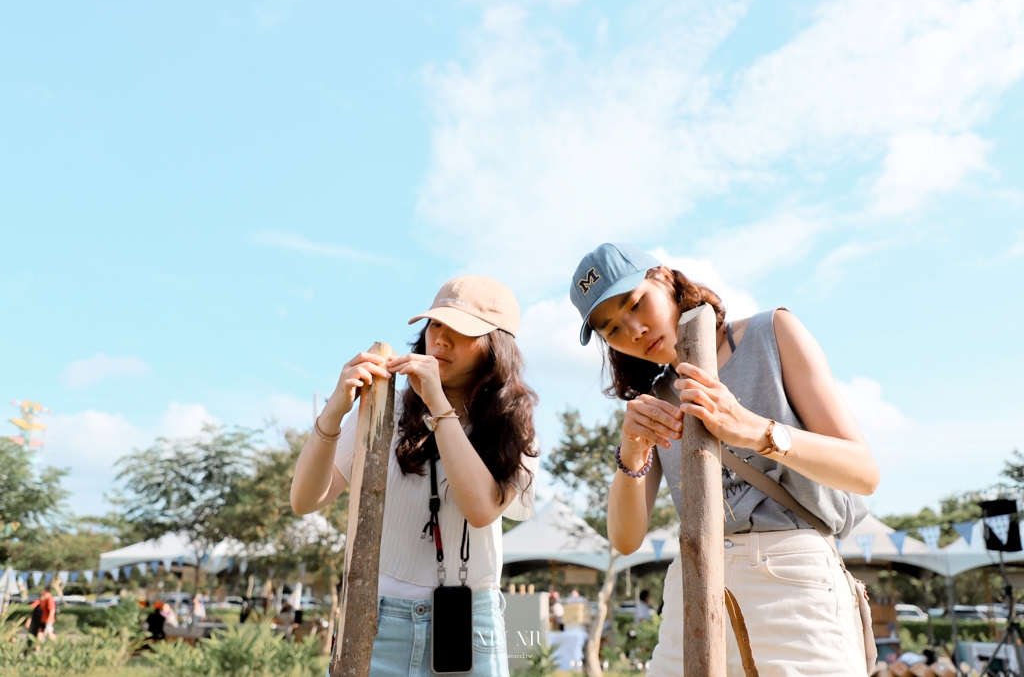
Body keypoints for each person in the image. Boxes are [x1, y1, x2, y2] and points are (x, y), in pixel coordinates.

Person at [569, 244, 879, 677]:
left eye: (637, 303)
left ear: (663, 276)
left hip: (792, 582)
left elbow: (863, 472)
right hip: (691, 585)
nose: (635, 330)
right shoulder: (656, 397)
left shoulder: (770, 334)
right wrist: (633, 449)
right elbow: (625, 539)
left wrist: (758, 431)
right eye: (613, 330)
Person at [290, 276, 540, 677]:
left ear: (496, 348)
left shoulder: (514, 427)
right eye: (436, 324)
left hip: (470, 624)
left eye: (461, 331)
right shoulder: (382, 408)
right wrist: (335, 411)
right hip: (377, 620)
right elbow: (305, 500)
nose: (440, 339)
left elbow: (481, 510)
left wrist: (437, 402)